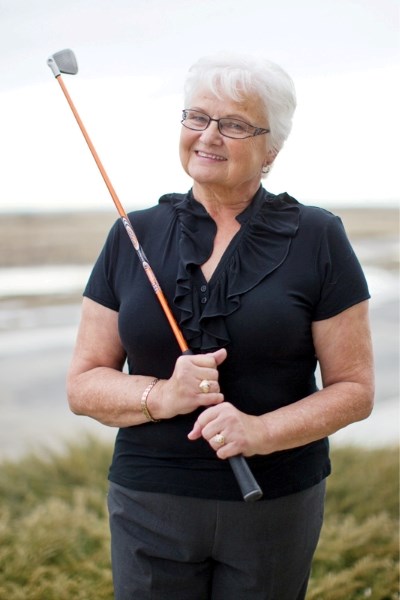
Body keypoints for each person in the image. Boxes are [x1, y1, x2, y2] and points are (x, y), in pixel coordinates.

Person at [67, 53, 374, 600]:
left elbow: (354, 391)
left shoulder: (319, 236)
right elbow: (84, 384)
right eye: (197, 117)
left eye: (234, 124)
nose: (209, 135)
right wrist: (163, 395)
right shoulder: (130, 234)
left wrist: (260, 432)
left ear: (271, 149)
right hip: (149, 502)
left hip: (275, 503)